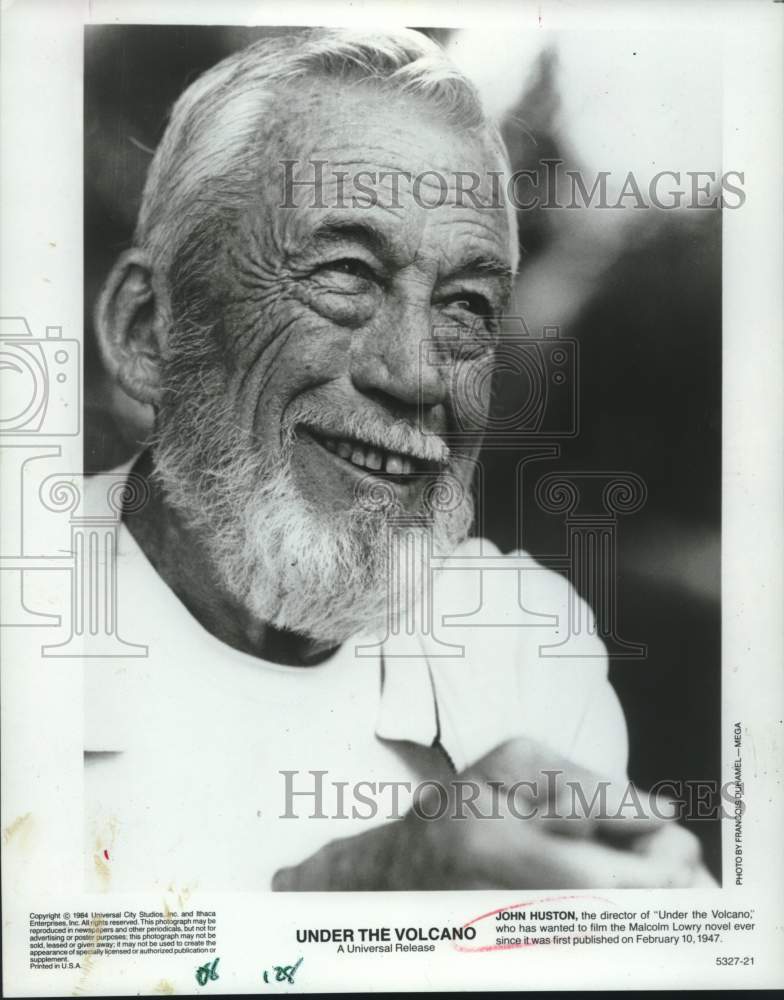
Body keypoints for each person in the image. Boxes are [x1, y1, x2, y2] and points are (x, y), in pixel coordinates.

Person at [87, 27, 711, 891]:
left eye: (466, 305)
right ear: (148, 333)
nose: (416, 372)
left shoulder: (519, 638)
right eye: (345, 272)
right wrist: (359, 894)